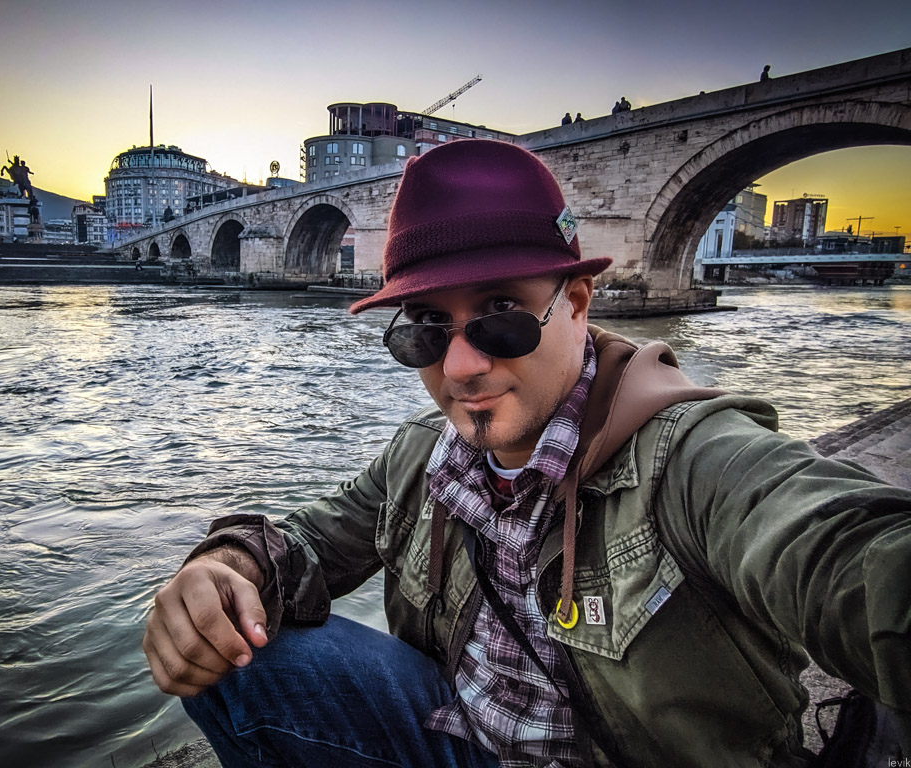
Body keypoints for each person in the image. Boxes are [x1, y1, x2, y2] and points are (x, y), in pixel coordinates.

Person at [143, 140, 911, 768]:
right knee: (235, 657)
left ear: (575, 305)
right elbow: (310, 540)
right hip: (466, 739)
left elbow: (845, 551)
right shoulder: (422, 456)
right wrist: (226, 566)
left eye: (501, 314)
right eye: (426, 327)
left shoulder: (697, 462)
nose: (460, 367)